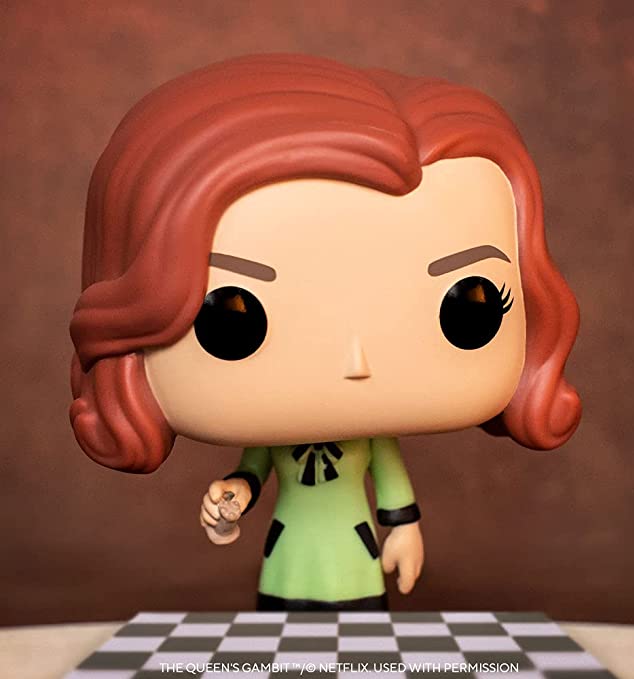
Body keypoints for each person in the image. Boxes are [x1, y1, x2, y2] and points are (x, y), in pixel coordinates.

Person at [69, 53, 580, 611]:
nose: (357, 361)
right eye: (233, 319)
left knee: (360, 634)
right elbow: (251, 475)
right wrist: (230, 500)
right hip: (288, 553)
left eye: (470, 307)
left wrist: (404, 528)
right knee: (285, 632)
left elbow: (391, 484)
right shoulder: (270, 437)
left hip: (355, 554)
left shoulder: (372, 438)